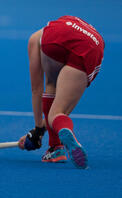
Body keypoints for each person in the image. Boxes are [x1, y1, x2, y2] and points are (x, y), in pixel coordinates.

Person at [18, 16, 105, 169]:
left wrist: (38, 129)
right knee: (60, 112)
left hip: (54, 39)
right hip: (94, 46)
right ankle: (57, 147)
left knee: (51, 86)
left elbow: (36, 89)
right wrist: (39, 131)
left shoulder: (34, 39)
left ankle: (57, 148)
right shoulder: (63, 23)